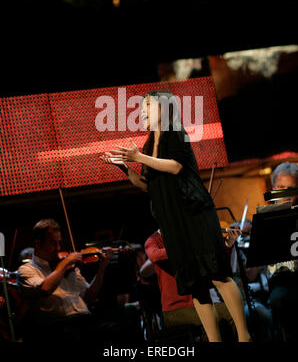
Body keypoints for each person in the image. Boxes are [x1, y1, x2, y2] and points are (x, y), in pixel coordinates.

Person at [102, 90, 251, 342]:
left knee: (218, 274)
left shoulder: (176, 134)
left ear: (165, 108)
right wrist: (125, 167)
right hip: (171, 221)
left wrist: (139, 157)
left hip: (193, 213)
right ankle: (214, 339)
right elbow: (147, 185)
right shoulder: (149, 145)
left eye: (148, 106)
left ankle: (244, 336)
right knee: (195, 284)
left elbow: (175, 166)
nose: (142, 112)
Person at [17, 218, 114, 343]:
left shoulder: (68, 266)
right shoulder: (27, 270)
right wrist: (64, 263)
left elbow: (89, 296)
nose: (58, 248)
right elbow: (45, 289)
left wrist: (102, 268)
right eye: (52, 243)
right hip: (57, 328)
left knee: (123, 326)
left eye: (59, 242)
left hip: (85, 320)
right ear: (38, 243)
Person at [144, 229, 239, 342]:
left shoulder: (186, 235)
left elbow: (214, 264)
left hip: (199, 302)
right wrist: (185, 247)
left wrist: (227, 246)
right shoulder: (154, 240)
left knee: (233, 312)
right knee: (219, 316)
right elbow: (154, 255)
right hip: (175, 310)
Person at [265, 162, 298, 340]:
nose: (285, 194)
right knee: (279, 300)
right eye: (281, 187)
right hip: (281, 284)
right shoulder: (265, 218)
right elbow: (254, 273)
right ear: (274, 188)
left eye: (291, 189)